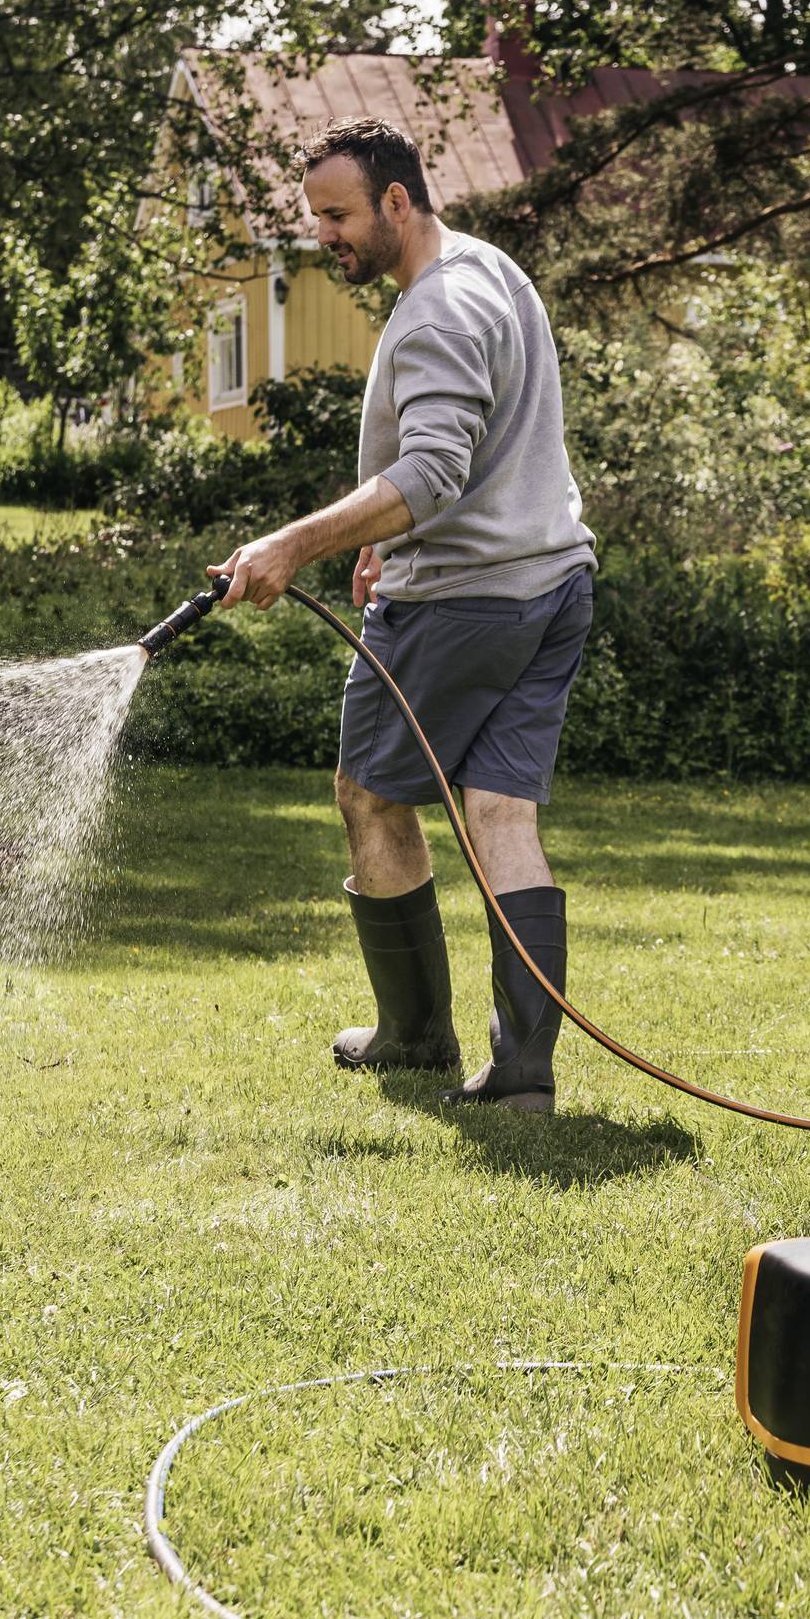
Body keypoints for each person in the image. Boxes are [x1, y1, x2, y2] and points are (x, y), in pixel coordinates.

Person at [212, 116, 596, 1114]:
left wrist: (293, 544)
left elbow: (431, 469)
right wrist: (386, 537)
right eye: (314, 219)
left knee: (371, 796)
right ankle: (523, 1073)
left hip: (466, 601)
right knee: (501, 813)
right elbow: (481, 447)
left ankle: (417, 1036)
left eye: (337, 215)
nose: (324, 236)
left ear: (395, 200)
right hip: (552, 580)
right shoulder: (490, 271)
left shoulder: (434, 311)